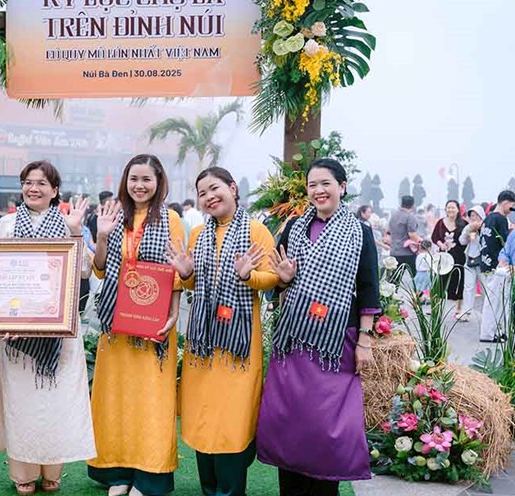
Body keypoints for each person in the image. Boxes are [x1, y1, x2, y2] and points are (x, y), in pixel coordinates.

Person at [257, 158, 379, 496]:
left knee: (327, 425)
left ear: (342, 187)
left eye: (325, 183)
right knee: (289, 419)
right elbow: (278, 280)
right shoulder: (294, 227)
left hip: (334, 343)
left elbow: (368, 287)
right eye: (312, 185)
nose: (318, 190)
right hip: (294, 341)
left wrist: (364, 342)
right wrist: (282, 281)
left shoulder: (359, 232)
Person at [166, 167, 278, 496]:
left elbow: (271, 278)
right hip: (203, 344)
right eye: (202, 193)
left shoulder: (257, 231)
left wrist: (249, 276)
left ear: (232, 188)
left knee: (232, 418)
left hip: (239, 345)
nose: (209, 197)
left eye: (215, 189)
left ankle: (230, 489)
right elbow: (193, 281)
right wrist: (186, 274)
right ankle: (209, 487)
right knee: (203, 415)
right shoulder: (199, 234)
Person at [0, 160, 96, 496]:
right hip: (17, 332)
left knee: (56, 400)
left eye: (41, 183)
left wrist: (77, 231)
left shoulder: (69, 224)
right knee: (22, 401)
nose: (32, 188)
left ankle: (54, 470)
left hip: (60, 332)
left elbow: (84, 272)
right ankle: (22, 472)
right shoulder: (6, 225)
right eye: (27, 182)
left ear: (54, 190)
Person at [88, 154, 185, 496]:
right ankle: (118, 473)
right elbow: (100, 269)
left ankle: (149, 476)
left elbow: (174, 272)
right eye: (133, 179)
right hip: (116, 322)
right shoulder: (114, 216)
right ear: (124, 182)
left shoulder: (170, 219)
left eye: (146, 179)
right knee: (114, 397)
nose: (139, 185)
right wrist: (100, 237)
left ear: (159, 182)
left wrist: (173, 314)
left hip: (154, 324)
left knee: (151, 398)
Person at [479, 190, 515, 343]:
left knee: (494, 302)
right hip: (498, 267)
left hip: (487, 265)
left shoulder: (488, 218)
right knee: (496, 303)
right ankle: (489, 333)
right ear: (505, 203)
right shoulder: (501, 220)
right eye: (512, 206)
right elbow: (505, 245)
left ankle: (493, 331)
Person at [431, 200, 467, 319]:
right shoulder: (440, 223)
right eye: (448, 208)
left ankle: (459, 308)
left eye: (453, 208)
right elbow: (434, 237)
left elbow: (470, 236)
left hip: (459, 257)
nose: (450, 210)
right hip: (444, 257)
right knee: (440, 281)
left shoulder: (463, 223)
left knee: (458, 281)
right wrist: (440, 244)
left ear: (458, 209)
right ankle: (436, 307)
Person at [460, 206, 486, 318]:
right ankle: (466, 312)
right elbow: (462, 241)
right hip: (470, 259)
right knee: (468, 287)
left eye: (476, 215)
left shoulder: (486, 226)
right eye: (471, 215)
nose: (474, 218)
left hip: (483, 261)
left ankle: (487, 312)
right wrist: (468, 231)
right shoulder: (468, 227)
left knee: (485, 287)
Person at [389, 195, 420, 276]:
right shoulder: (410, 217)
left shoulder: (393, 216)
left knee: (394, 279)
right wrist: (421, 244)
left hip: (394, 251)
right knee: (415, 278)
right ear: (413, 205)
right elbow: (412, 234)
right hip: (407, 253)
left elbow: (388, 231)